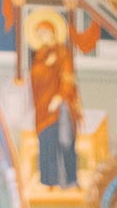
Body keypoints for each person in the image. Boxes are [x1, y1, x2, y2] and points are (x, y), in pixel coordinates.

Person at [30, 21, 81, 189]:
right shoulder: (40, 55)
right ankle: (49, 181)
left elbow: (68, 78)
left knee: (65, 141)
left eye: (45, 33)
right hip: (43, 107)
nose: (43, 37)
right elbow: (35, 77)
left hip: (61, 106)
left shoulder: (63, 53)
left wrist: (60, 96)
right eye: (40, 34)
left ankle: (70, 180)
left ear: (53, 33)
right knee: (47, 141)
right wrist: (46, 65)